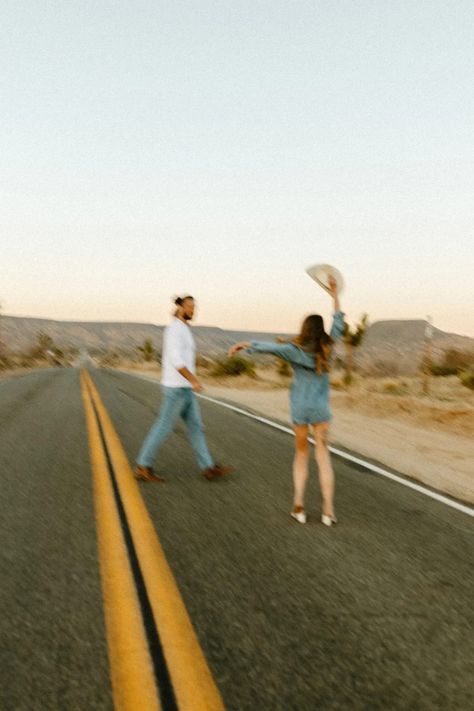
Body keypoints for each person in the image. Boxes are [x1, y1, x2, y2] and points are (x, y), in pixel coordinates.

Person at [228, 276, 344, 526]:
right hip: (321, 410)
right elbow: (339, 321)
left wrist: (244, 345)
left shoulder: (295, 349)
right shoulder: (329, 347)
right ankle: (328, 511)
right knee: (323, 457)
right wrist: (334, 294)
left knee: (301, 456)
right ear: (320, 329)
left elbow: (271, 348)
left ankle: (299, 506)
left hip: (300, 409)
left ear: (304, 329)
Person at [134, 295, 232, 482]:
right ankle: (142, 465)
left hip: (185, 388)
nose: (193, 311)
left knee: (196, 427)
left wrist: (190, 382)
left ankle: (208, 467)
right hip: (176, 388)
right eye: (190, 307)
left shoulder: (184, 329)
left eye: (194, 307)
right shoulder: (174, 330)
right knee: (164, 426)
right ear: (180, 308)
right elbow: (175, 359)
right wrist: (193, 379)